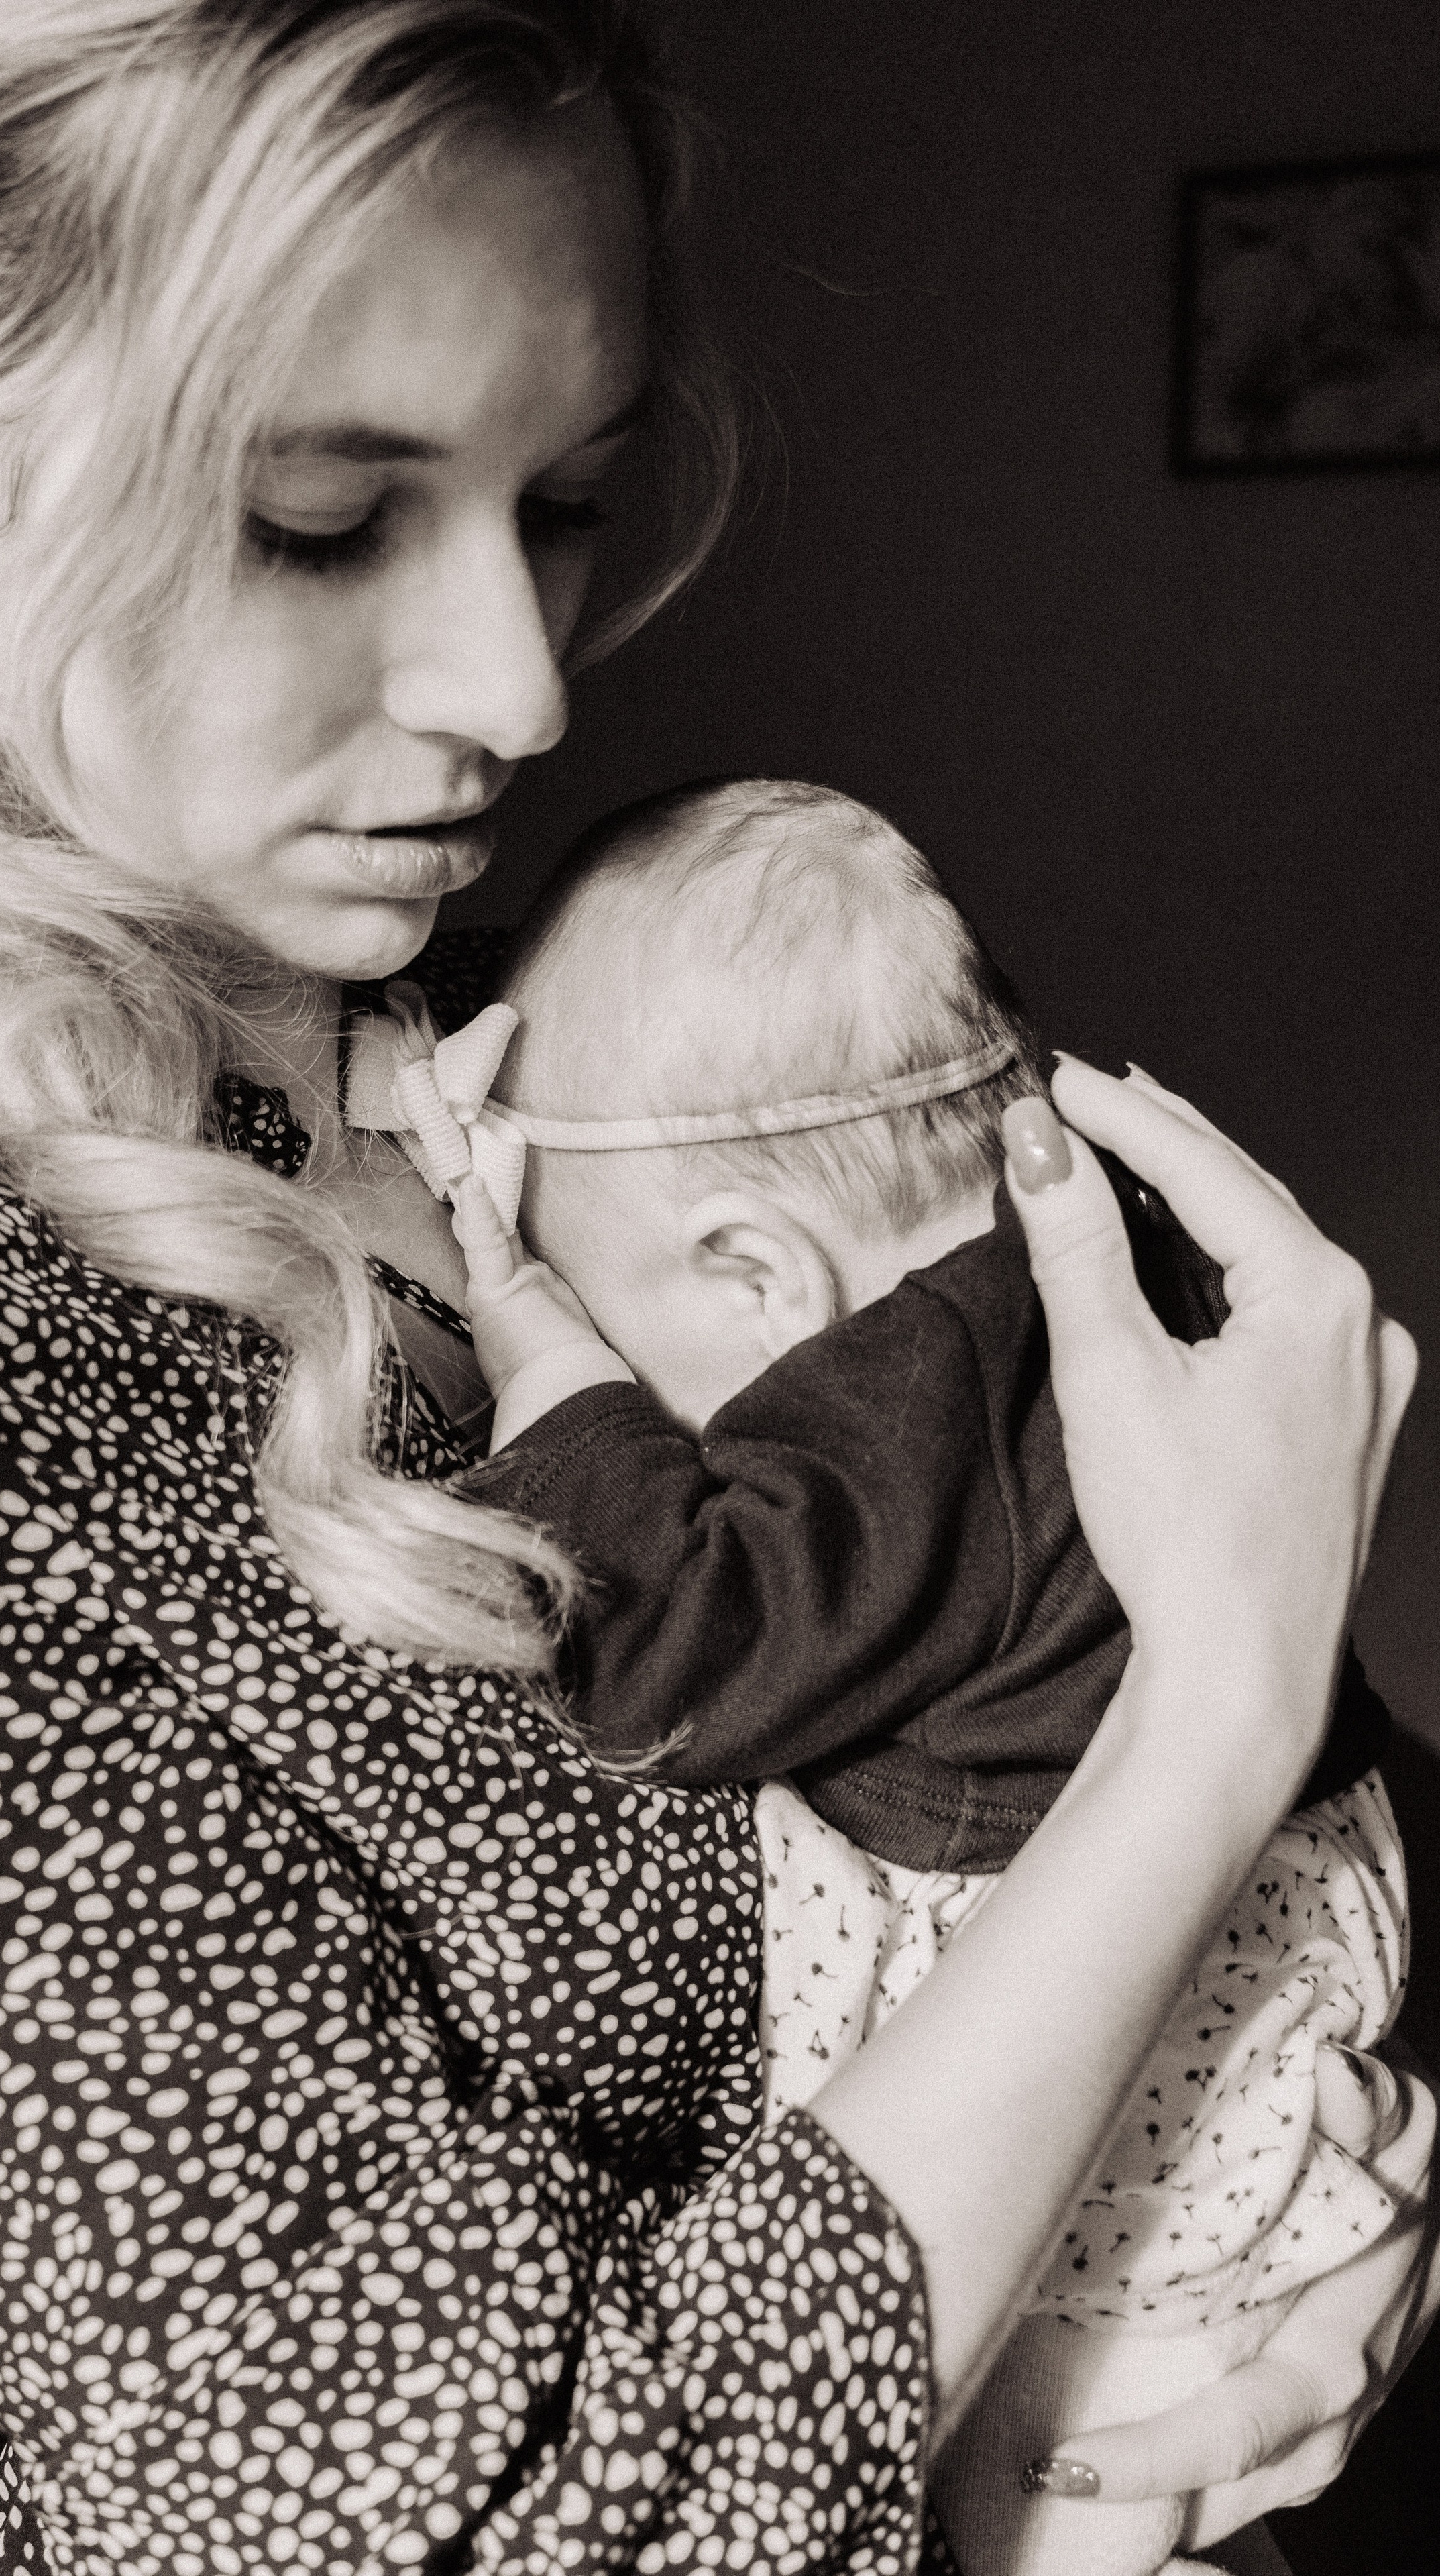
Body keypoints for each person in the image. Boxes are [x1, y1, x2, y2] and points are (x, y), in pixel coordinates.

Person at [0, 5, 1430, 2571]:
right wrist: (1212, 1725)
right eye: (325, 515)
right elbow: (395, 2521)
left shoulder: (524, 1038)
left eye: (566, 503)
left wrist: (1290, 2202)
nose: (525, 687)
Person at [437, 775, 1410, 2575]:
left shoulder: (901, 1390)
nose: (648, 1414)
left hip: (1150, 2056)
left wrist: (532, 1342)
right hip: (1287, 1953)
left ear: (758, 1272)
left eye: (618, 1307)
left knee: (1038, 2507)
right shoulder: (1086, 1248)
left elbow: (675, 1665)